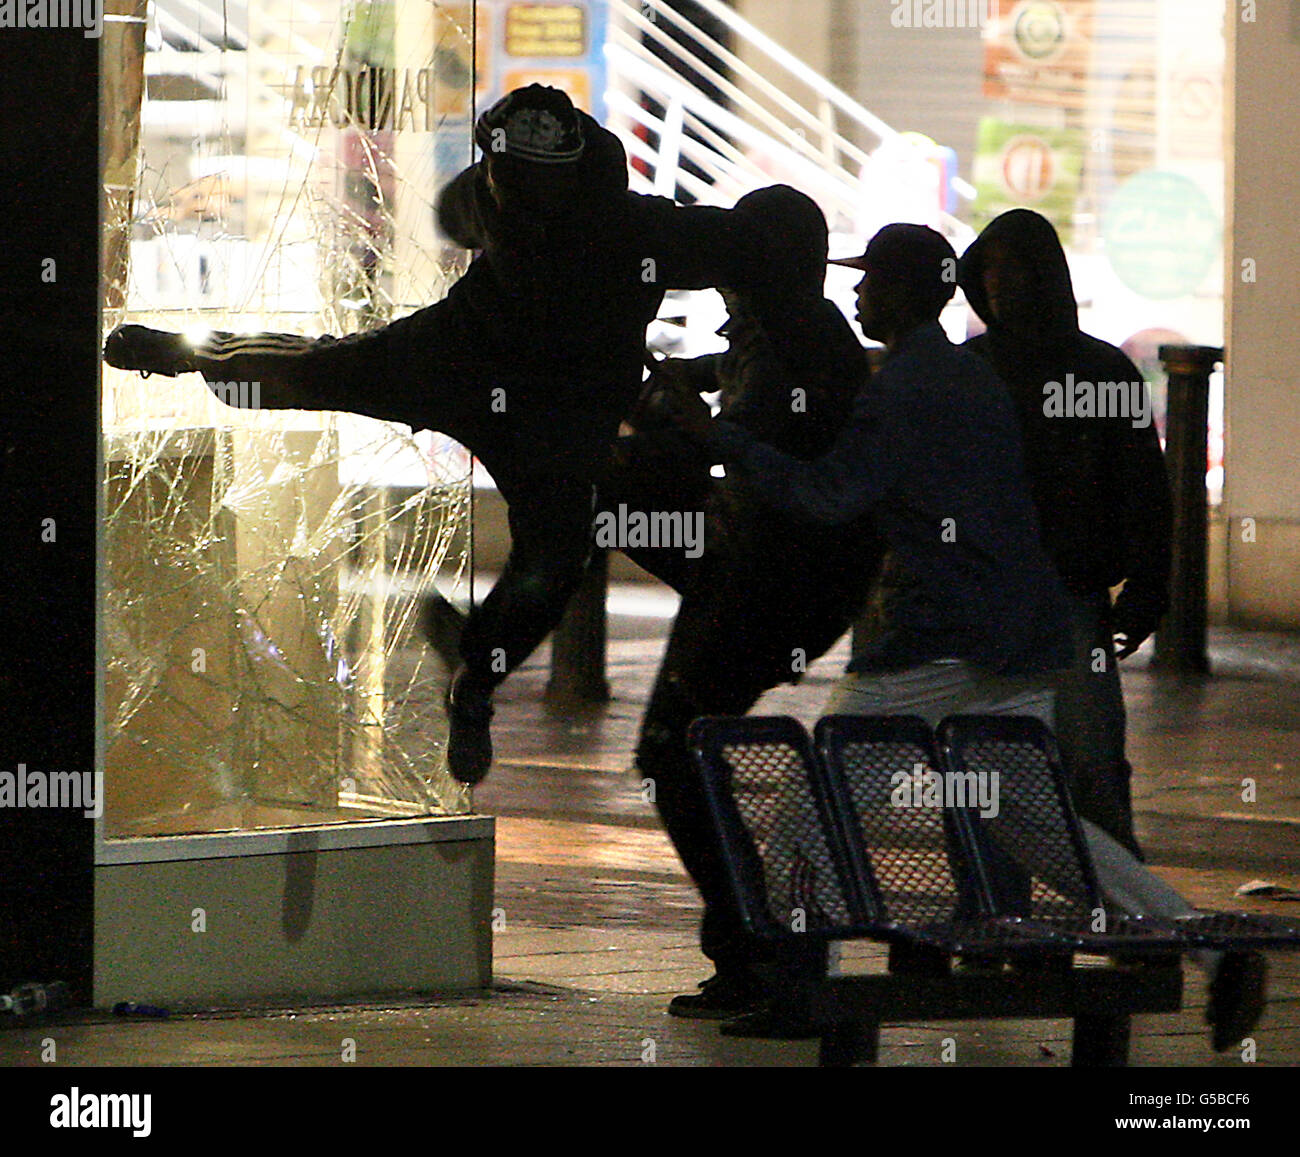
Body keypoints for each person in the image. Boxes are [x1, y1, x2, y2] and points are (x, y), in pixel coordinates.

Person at [668, 222, 1265, 1051]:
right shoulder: (965, 377)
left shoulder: (913, 384)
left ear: (909, 293)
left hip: (935, 642)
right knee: (1040, 826)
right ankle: (1208, 945)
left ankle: (795, 987)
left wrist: (719, 439)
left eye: (871, 280)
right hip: (1019, 635)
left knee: (810, 809)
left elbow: (829, 495)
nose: (856, 291)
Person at [104, 84, 771, 786]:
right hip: (460, 356)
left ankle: (475, 682)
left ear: (568, 174)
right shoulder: (486, 196)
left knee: (552, 560)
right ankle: (189, 352)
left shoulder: (638, 230)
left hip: (555, 417)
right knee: (320, 368)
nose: (509, 193)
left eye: (526, 183)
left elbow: (750, 247)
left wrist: (763, 344)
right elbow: (459, 216)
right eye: (501, 177)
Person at [600, 186, 885, 1018]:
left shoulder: (798, 341)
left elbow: (755, 445)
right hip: (752, 569)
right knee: (681, 749)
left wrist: (678, 422)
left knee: (674, 750)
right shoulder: (776, 333)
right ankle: (748, 948)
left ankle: (756, 949)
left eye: (731, 254)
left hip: (772, 580)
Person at [956, 208, 1171, 859]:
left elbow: (1143, 489)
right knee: (998, 771)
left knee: (1088, 765)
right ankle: (1014, 920)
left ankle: (1104, 926)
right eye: (990, 270)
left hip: (1061, 595)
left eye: (1013, 269)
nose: (1000, 285)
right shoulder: (978, 370)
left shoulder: (1094, 372)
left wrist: (1144, 590)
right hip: (1000, 600)